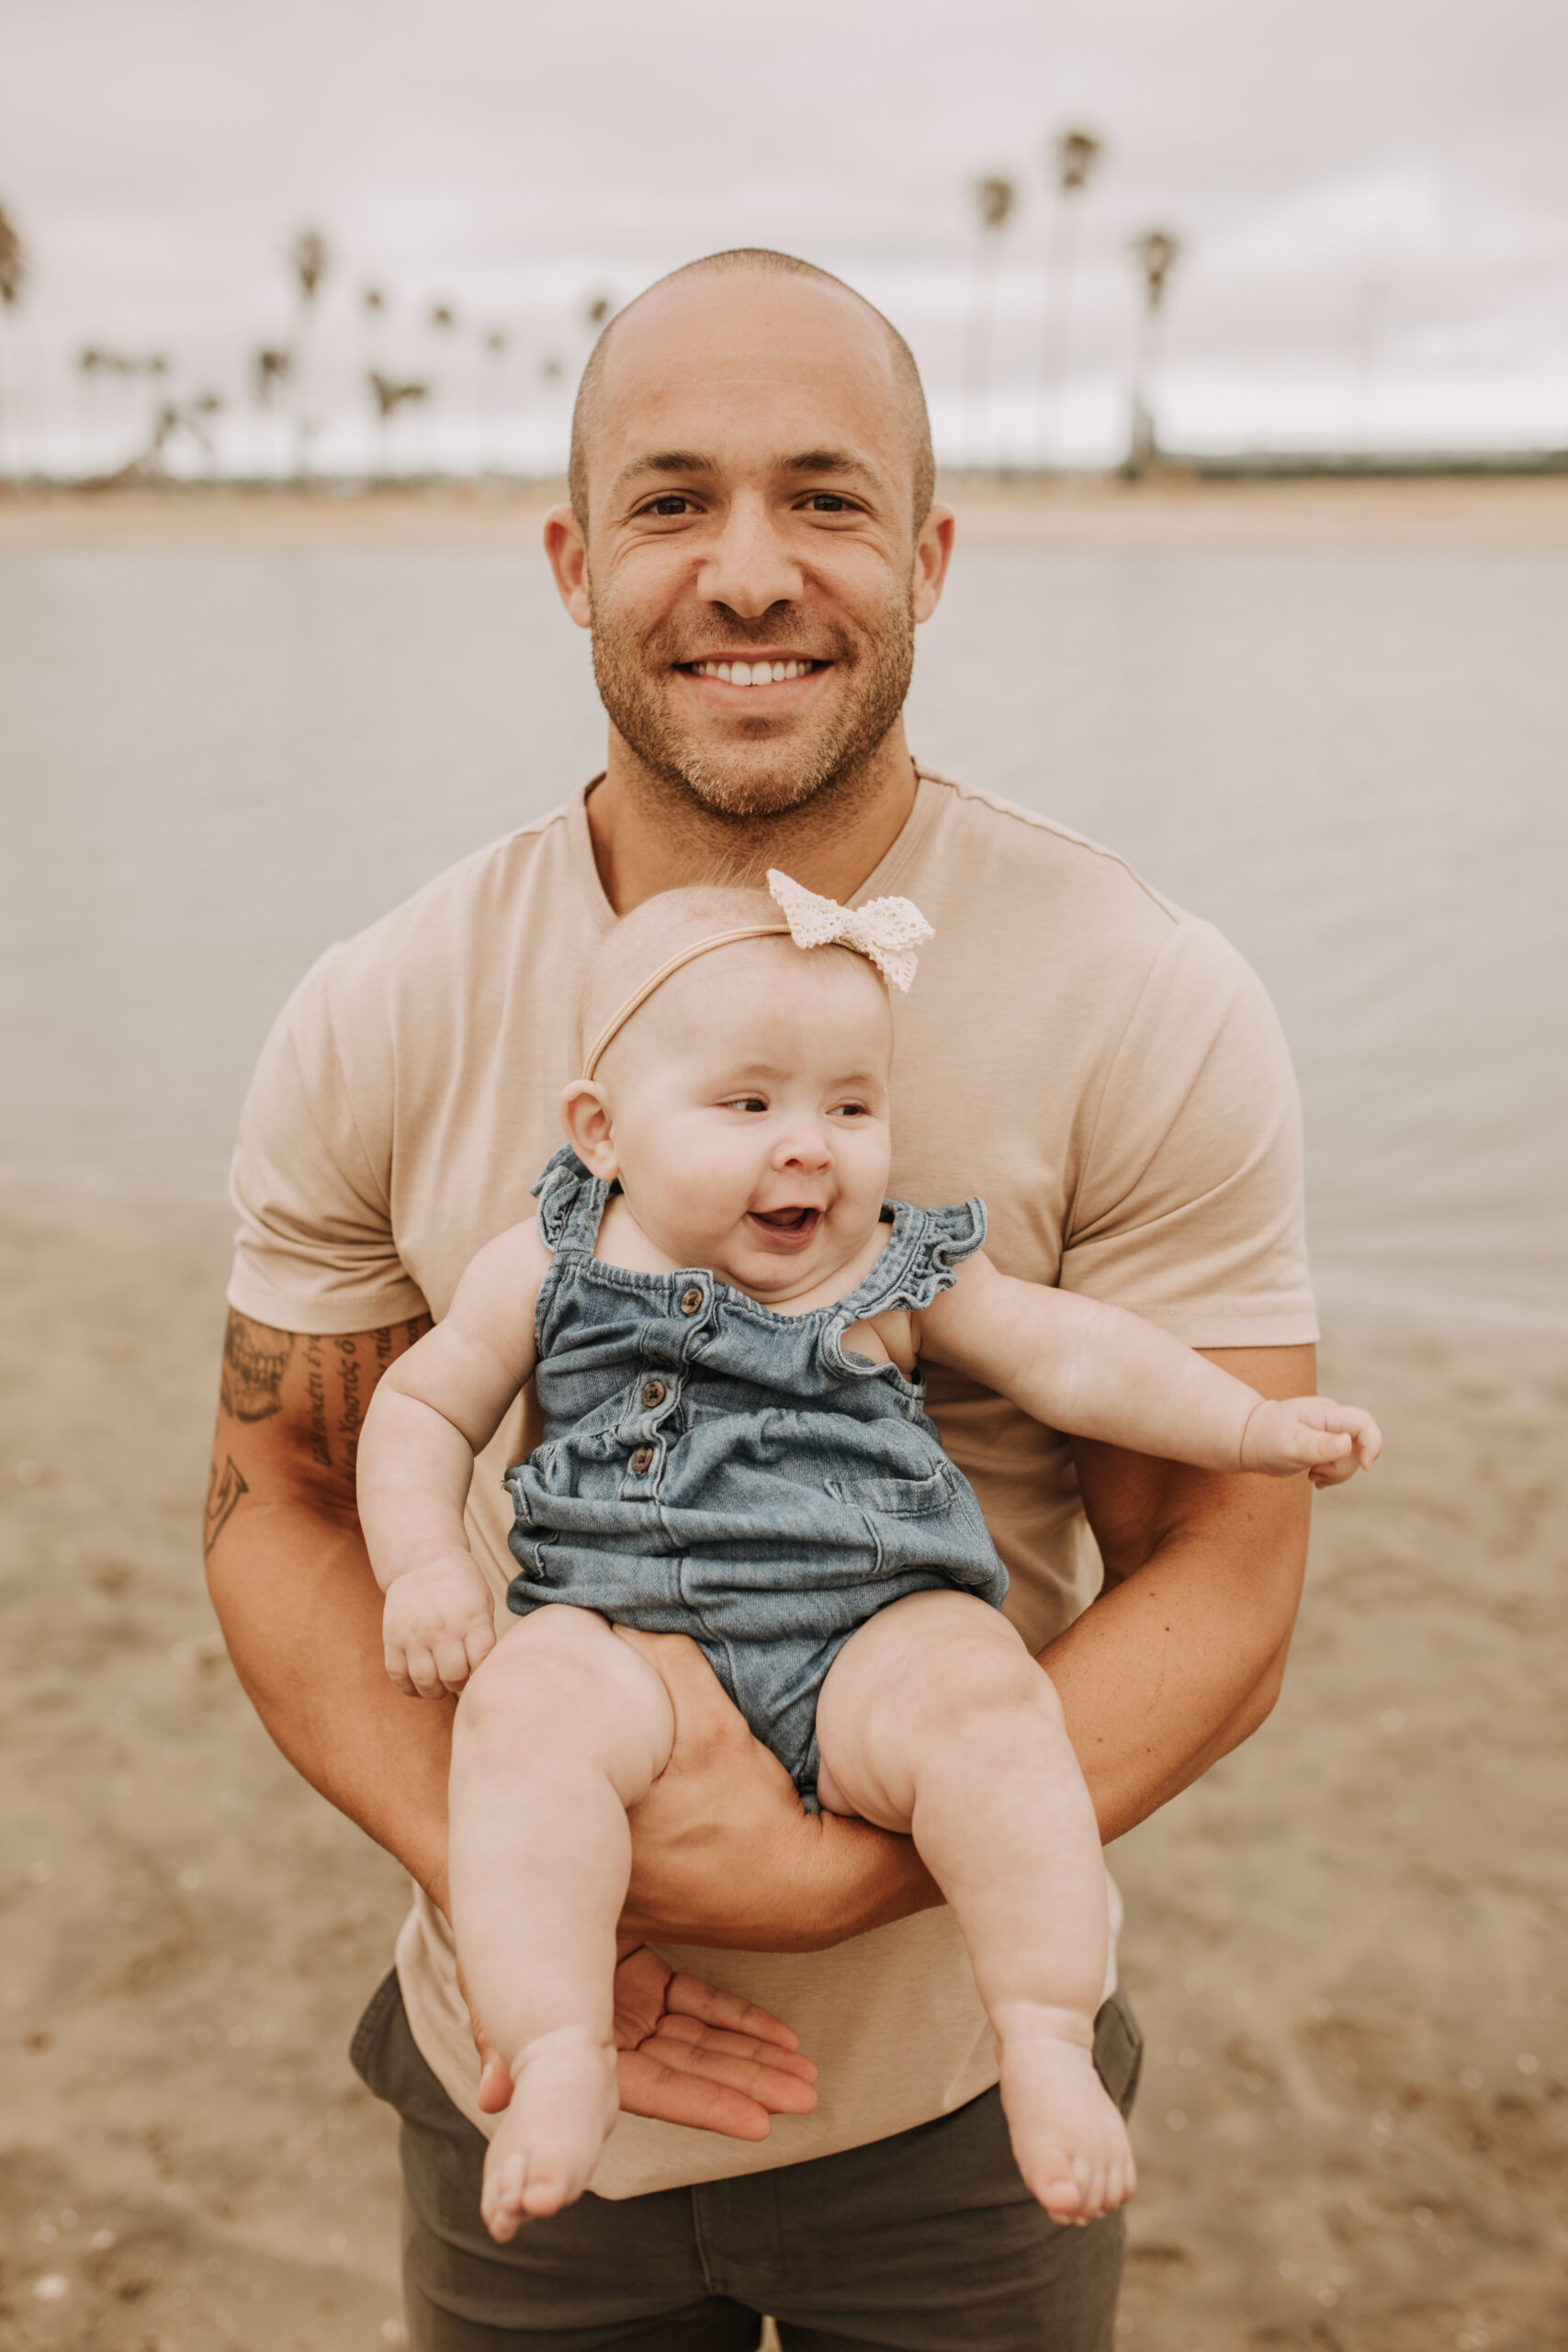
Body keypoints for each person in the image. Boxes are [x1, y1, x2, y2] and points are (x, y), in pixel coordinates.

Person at [207, 246, 1324, 2350]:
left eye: (821, 497)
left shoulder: (1141, 992)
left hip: (954, 2111)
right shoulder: (379, 1007)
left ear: (926, 551)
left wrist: (825, 1871)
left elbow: (1228, 1569)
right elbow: (281, 1491)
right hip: (517, 2086)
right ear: (567, 556)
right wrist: (520, 1866)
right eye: (667, 499)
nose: (745, 570)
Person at [356, 873, 1379, 2245]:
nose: (809, 1149)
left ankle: (1044, 2031)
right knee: (522, 1715)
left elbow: (1074, 1356)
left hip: (871, 1628)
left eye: (851, 1105)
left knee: (990, 1708)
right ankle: (554, 2050)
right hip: (620, 1633)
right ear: (600, 1131)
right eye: (748, 1104)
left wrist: (1245, 1422)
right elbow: (418, 1410)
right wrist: (426, 1565)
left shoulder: (894, 1268)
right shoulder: (541, 1267)